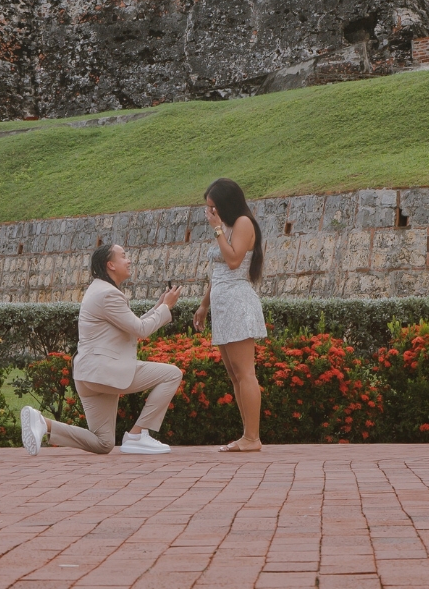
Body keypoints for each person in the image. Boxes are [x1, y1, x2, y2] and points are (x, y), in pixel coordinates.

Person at [20, 243, 182, 456]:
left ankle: (44, 424)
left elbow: (132, 327)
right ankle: (137, 435)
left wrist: (158, 307)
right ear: (110, 265)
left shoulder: (101, 290)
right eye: (124, 256)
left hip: (90, 375)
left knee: (103, 443)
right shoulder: (109, 294)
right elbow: (141, 330)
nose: (129, 260)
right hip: (104, 372)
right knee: (172, 374)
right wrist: (167, 307)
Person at [193, 177, 266, 452]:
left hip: (237, 302)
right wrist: (204, 305)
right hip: (223, 304)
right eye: (208, 209)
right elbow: (219, 273)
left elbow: (234, 261)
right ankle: (247, 434)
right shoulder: (225, 227)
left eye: (213, 207)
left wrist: (217, 230)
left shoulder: (243, 224)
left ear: (226, 204)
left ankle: (253, 437)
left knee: (246, 372)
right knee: (235, 375)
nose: (210, 213)